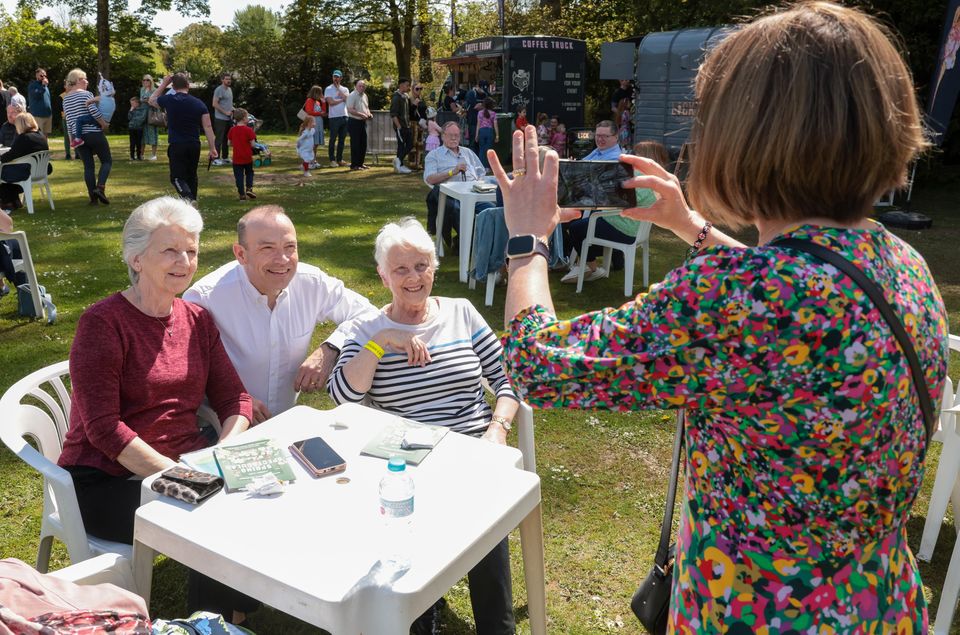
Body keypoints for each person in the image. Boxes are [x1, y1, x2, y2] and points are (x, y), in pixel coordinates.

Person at [491, 3, 945, 632]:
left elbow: (537, 365)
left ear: (744, 135)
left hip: (759, 610)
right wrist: (688, 225)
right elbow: (794, 296)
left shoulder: (739, 297)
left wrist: (525, 242)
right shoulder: (899, 263)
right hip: (879, 600)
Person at [57, 196, 257, 623]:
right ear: (136, 257)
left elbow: (234, 399)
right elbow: (104, 429)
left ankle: (239, 603)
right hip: (104, 478)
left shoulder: (198, 320)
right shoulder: (103, 323)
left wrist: (221, 453)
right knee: (207, 511)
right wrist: (180, 477)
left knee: (262, 489)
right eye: (170, 250)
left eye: (192, 250)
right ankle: (208, 623)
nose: (184, 261)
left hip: (187, 460)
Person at [327, 217, 519, 635]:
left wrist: (498, 428)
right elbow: (342, 397)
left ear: (434, 267)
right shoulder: (366, 328)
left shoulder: (461, 312)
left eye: (421, 266)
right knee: (411, 515)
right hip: (404, 464)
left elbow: (508, 379)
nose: (414, 278)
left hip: (471, 449)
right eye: (401, 269)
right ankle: (418, 613)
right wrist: (383, 341)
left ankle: (496, 627)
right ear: (382, 275)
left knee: (481, 510)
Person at [185, 205, 377, 421]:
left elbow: (370, 315)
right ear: (241, 254)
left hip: (285, 425)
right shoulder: (205, 299)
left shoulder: (312, 283)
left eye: (290, 247)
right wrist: (231, 400)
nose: (283, 259)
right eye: (267, 248)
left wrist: (331, 349)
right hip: (219, 426)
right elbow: (183, 372)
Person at [560, 139, 666, 283]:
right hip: (637, 229)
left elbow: (616, 199)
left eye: (634, 154)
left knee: (576, 228)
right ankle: (589, 263)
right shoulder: (660, 180)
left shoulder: (637, 177)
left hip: (623, 228)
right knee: (588, 223)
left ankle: (592, 268)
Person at [149, 73, 217, 203]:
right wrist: (212, 148)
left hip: (177, 144)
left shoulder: (169, 100)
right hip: (194, 144)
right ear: (188, 85)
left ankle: (188, 198)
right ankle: (192, 205)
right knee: (192, 176)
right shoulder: (199, 104)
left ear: (173, 86)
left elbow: (152, 100)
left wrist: (164, 84)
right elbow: (208, 127)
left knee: (176, 178)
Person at [423, 121, 489, 247]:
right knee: (457, 210)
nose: (454, 138)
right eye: (450, 135)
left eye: (457, 135)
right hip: (451, 195)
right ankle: (468, 244)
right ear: (442, 136)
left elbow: (481, 172)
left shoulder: (468, 152)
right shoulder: (434, 155)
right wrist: (452, 172)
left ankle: (486, 243)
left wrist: (479, 184)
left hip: (474, 193)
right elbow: (430, 178)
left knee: (491, 210)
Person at [62, 69, 111, 205]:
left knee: (88, 167)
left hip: (79, 137)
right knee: (106, 161)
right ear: (78, 80)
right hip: (93, 133)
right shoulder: (86, 94)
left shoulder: (65, 99)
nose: (87, 81)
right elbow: (93, 111)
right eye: (85, 79)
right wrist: (103, 123)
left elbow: (69, 121)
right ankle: (100, 188)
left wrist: (72, 139)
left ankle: (93, 198)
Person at [0, 113, 51, 212]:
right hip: (40, 171)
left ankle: (8, 202)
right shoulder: (41, 136)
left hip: (27, 172)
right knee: (7, 176)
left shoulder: (24, 138)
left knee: (2, 174)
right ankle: (14, 201)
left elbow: (10, 155)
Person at [227, 107, 257, 201]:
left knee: (238, 176)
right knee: (249, 173)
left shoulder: (232, 130)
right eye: (247, 116)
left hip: (237, 158)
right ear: (244, 118)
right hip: (247, 157)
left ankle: (242, 195)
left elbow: (229, 143)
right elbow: (253, 144)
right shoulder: (249, 130)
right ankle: (249, 188)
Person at [346, 79, 373, 170]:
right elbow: (350, 109)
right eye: (360, 86)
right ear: (356, 86)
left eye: (363, 86)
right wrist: (362, 114)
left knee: (363, 144)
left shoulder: (365, 95)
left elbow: (366, 107)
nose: (362, 87)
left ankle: (360, 163)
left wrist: (369, 114)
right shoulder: (352, 95)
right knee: (355, 144)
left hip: (362, 122)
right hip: (354, 122)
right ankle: (354, 165)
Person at [325, 70, 349, 168]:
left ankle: (339, 159)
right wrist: (341, 99)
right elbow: (330, 102)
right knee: (333, 139)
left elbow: (348, 100)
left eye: (338, 77)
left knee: (342, 140)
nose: (336, 78)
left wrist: (339, 90)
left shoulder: (345, 89)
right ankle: (332, 160)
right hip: (334, 117)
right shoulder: (328, 89)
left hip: (344, 116)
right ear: (332, 77)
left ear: (341, 78)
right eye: (334, 76)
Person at [390, 77, 413, 174]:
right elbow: (393, 114)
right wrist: (399, 127)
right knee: (403, 146)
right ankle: (399, 162)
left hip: (407, 125)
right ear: (401, 85)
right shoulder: (396, 98)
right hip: (401, 127)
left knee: (407, 145)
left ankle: (399, 163)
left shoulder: (405, 97)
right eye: (407, 85)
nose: (408, 87)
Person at [211, 72, 233, 166]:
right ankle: (215, 159)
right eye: (227, 79)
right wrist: (225, 112)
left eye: (229, 79)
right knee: (219, 139)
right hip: (220, 118)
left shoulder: (229, 90)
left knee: (226, 139)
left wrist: (234, 110)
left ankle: (225, 157)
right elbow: (214, 104)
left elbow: (228, 104)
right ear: (222, 80)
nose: (229, 81)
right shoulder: (219, 90)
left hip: (229, 118)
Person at [302, 85, 326, 167]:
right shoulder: (309, 100)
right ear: (316, 93)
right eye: (320, 92)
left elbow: (323, 111)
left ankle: (313, 160)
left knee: (316, 143)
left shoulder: (317, 102)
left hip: (318, 123)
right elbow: (309, 111)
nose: (321, 94)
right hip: (312, 122)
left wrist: (323, 102)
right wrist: (319, 113)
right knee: (312, 143)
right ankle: (310, 161)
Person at [26, 68, 52, 139]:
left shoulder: (45, 87)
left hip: (48, 114)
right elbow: (36, 96)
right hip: (38, 115)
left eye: (45, 76)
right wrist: (43, 86)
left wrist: (44, 86)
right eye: (41, 75)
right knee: (38, 135)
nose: (44, 77)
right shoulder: (32, 85)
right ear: (36, 75)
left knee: (46, 135)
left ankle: (46, 148)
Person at [139, 75, 159, 161]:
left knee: (152, 133)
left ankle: (154, 154)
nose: (145, 81)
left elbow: (156, 102)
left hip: (151, 112)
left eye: (147, 80)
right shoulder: (142, 89)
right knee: (142, 133)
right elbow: (140, 100)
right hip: (143, 113)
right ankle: (141, 154)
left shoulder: (155, 90)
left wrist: (148, 101)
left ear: (151, 81)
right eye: (144, 80)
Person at [475, 97, 498, 169]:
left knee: (481, 149)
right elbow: (495, 125)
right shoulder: (493, 114)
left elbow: (478, 124)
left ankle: (481, 166)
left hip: (481, 131)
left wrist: (476, 135)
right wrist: (497, 135)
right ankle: (488, 166)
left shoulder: (479, 113)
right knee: (489, 150)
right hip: (490, 131)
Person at [127, 96, 148, 160]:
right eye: (131, 104)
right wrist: (130, 110)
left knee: (139, 143)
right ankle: (132, 156)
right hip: (132, 128)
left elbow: (143, 118)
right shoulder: (132, 110)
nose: (132, 105)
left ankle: (139, 156)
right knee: (132, 142)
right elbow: (129, 118)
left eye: (133, 104)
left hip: (139, 128)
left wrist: (136, 122)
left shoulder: (143, 109)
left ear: (137, 103)